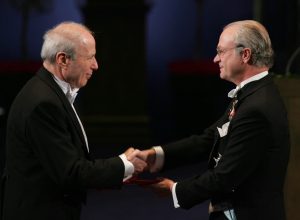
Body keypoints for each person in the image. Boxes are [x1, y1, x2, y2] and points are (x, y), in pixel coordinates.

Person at [137, 20, 290, 220]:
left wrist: (176, 190)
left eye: (221, 51)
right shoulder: (252, 93)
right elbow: (209, 139)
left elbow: (225, 177)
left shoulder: (257, 107)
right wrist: (157, 155)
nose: (215, 59)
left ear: (245, 55)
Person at [0, 21, 147, 220]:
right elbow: (71, 172)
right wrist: (125, 164)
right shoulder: (43, 103)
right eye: (90, 57)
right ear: (63, 60)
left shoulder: (49, 91)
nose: (96, 65)